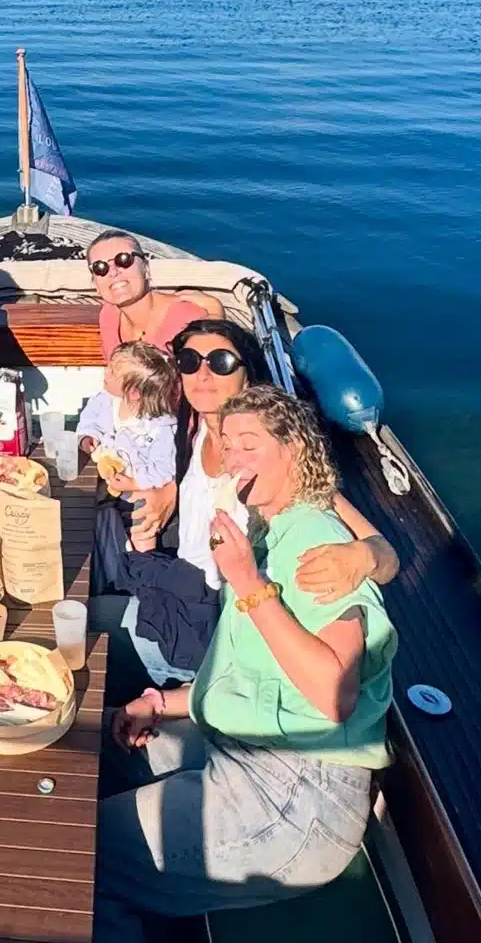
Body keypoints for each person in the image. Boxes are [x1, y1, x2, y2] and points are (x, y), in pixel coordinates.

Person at [95, 386, 398, 929]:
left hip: (298, 799)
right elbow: (260, 675)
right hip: (239, 750)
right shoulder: (266, 528)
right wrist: (164, 701)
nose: (233, 459)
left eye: (250, 446)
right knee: (99, 745)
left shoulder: (316, 542)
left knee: (82, 855)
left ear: (294, 453)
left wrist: (246, 581)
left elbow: (334, 695)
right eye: (227, 445)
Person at [97, 318, 398, 682]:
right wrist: (169, 490)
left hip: (220, 627)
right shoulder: (193, 431)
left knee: (88, 630)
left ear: (247, 375)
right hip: (178, 592)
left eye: (220, 361)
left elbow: (385, 554)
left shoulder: (265, 461)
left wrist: (362, 556)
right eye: (190, 362)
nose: (203, 373)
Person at [87, 229, 224, 360]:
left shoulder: (185, 317)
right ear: (95, 285)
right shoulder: (108, 316)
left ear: (146, 269)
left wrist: (215, 311)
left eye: (123, 259)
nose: (113, 272)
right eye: (100, 267)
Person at [78, 342, 179, 491]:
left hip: (137, 492)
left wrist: (135, 484)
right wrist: (88, 436)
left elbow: (164, 469)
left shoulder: (159, 428)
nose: (105, 372)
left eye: (112, 372)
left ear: (134, 393)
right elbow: (90, 418)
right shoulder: (106, 400)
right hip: (103, 477)